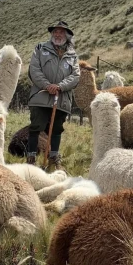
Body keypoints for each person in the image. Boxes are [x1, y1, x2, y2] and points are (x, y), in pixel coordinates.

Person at [25, 20, 80, 171]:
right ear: (51, 34)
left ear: (67, 35)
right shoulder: (40, 48)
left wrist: (60, 87)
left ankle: (53, 159)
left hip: (61, 98)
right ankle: (31, 159)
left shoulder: (72, 55)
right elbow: (34, 70)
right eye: (55, 31)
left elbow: (75, 76)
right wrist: (47, 86)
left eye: (61, 32)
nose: (57, 34)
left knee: (56, 129)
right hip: (41, 96)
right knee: (36, 127)